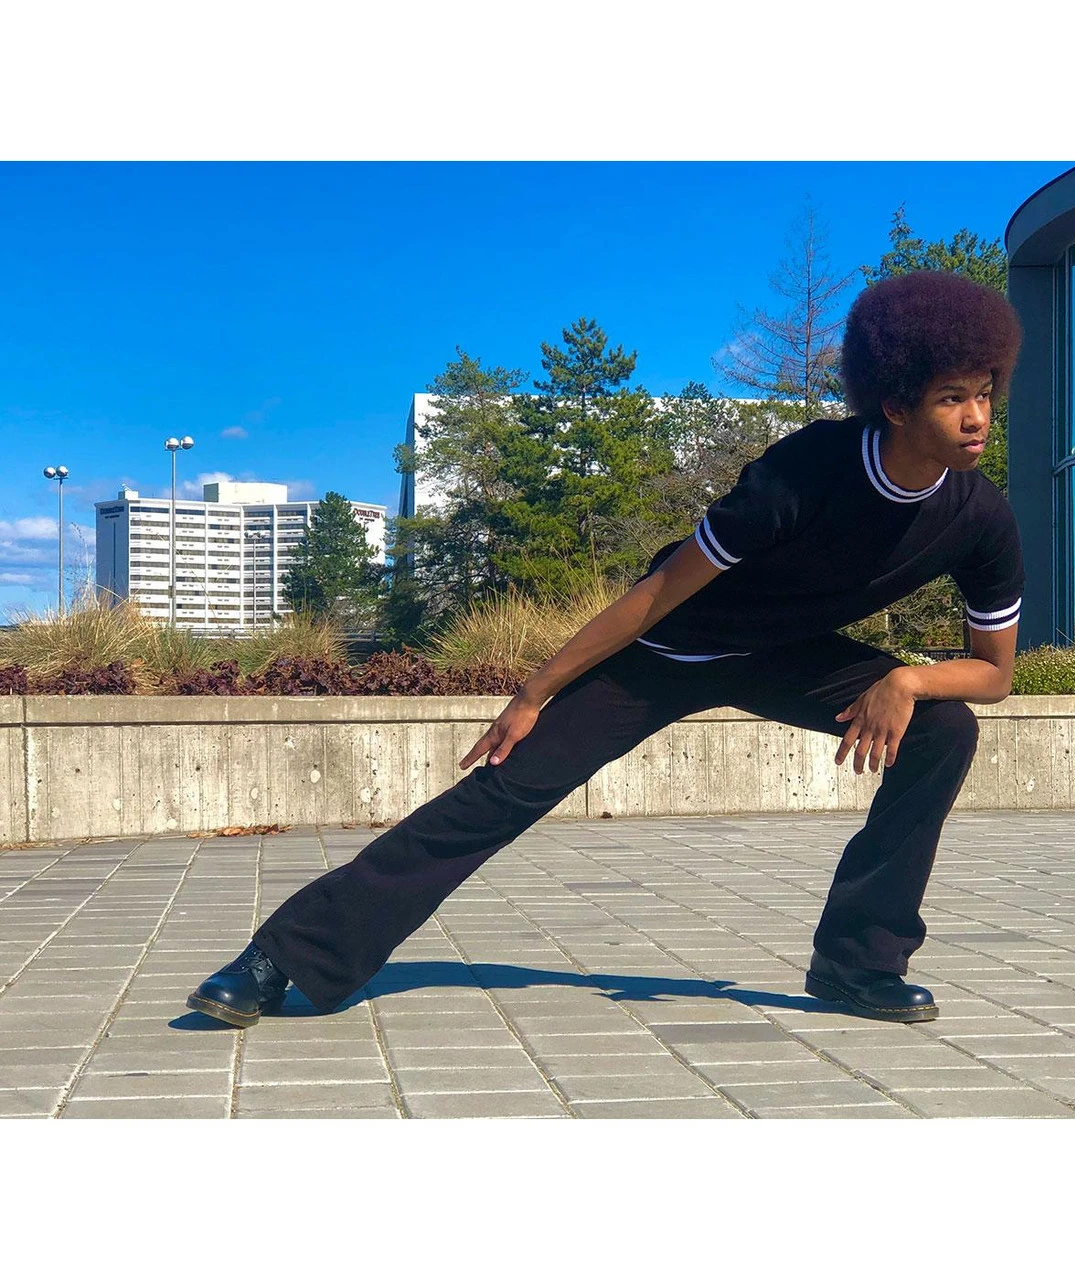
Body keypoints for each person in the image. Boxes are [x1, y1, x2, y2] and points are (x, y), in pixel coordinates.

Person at [187, 269, 1023, 1029]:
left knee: (946, 728)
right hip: (671, 648)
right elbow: (656, 594)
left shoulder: (980, 519)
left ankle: (858, 964)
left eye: (985, 394)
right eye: (952, 397)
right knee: (503, 792)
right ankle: (283, 958)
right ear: (896, 403)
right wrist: (534, 693)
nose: (978, 417)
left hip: (789, 655)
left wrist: (908, 680)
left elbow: (994, 673)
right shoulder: (807, 471)